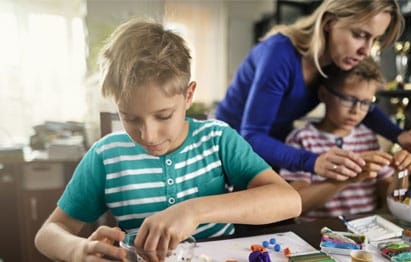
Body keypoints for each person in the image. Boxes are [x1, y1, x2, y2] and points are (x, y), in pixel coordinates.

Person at [34, 18, 301, 261]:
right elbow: (49, 233)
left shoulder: (218, 139)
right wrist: (79, 251)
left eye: (163, 116)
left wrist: (194, 210)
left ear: (188, 96)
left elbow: (289, 201)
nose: (147, 135)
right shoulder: (106, 156)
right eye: (131, 118)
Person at [215, 0, 411, 182]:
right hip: (226, 148)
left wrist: (399, 135)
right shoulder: (279, 54)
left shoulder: (338, 60)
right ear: (328, 22)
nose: (366, 50)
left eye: (375, 39)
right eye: (360, 35)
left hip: (272, 146)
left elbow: (362, 105)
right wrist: (314, 162)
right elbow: (251, 135)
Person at [280, 57, 411, 220]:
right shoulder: (302, 139)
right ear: (324, 94)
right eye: (348, 99)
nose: (356, 111)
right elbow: (297, 203)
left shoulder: (368, 138)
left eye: (366, 102)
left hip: (366, 232)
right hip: (318, 235)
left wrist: (401, 173)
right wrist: (345, 179)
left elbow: (394, 201)